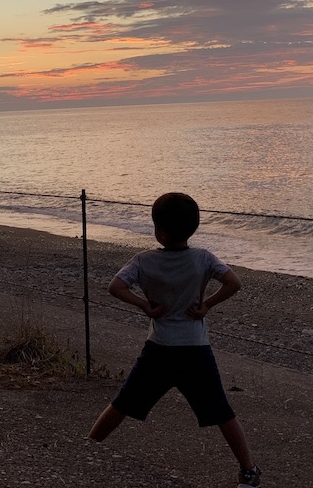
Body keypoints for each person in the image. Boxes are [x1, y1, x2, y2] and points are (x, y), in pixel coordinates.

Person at [87, 192, 262, 487]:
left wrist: (145, 305)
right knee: (222, 411)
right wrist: (207, 303)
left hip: (159, 348)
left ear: (159, 230)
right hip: (195, 350)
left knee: (122, 404)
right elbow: (234, 282)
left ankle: (88, 446)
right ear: (193, 227)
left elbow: (115, 286)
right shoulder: (203, 258)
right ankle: (248, 470)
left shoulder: (143, 261)